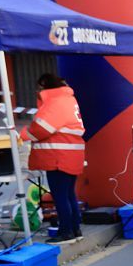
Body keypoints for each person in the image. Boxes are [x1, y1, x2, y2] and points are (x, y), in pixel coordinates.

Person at [29, 74, 85, 245]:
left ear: (45, 85)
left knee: (60, 196)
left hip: (58, 157)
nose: (38, 91)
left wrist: (24, 133)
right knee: (69, 195)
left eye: (39, 87)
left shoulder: (55, 102)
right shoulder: (69, 99)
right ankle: (75, 229)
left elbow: (41, 128)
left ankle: (65, 232)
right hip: (71, 155)